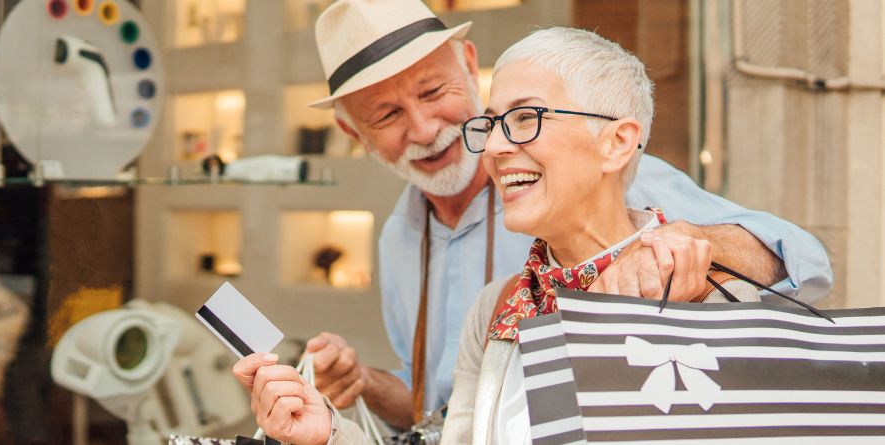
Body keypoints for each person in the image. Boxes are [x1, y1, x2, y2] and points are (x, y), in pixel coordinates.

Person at [286, 0, 833, 434]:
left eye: (434, 92)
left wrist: (696, 242)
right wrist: (359, 385)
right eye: (387, 115)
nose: (426, 129)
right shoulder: (399, 240)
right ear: (354, 135)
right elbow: (445, 404)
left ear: (470, 66)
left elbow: (801, 258)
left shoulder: (601, 172)